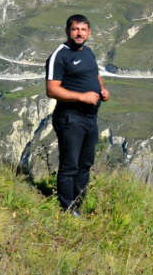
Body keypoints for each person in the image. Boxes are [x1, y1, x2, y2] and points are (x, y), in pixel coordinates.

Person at [45, 14, 110, 215]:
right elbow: (52, 90)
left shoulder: (88, 52)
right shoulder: (59, 55)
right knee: (70, 165)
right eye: (75, 29)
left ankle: (78, 204)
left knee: (85, 164)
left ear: (89, 32)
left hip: (90, 118)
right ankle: (67, 208)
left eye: (83, 29)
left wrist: (102, 90)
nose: (79, 33)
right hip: (70, 117)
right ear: (67, 31)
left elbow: (94, 75)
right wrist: (82, 97)